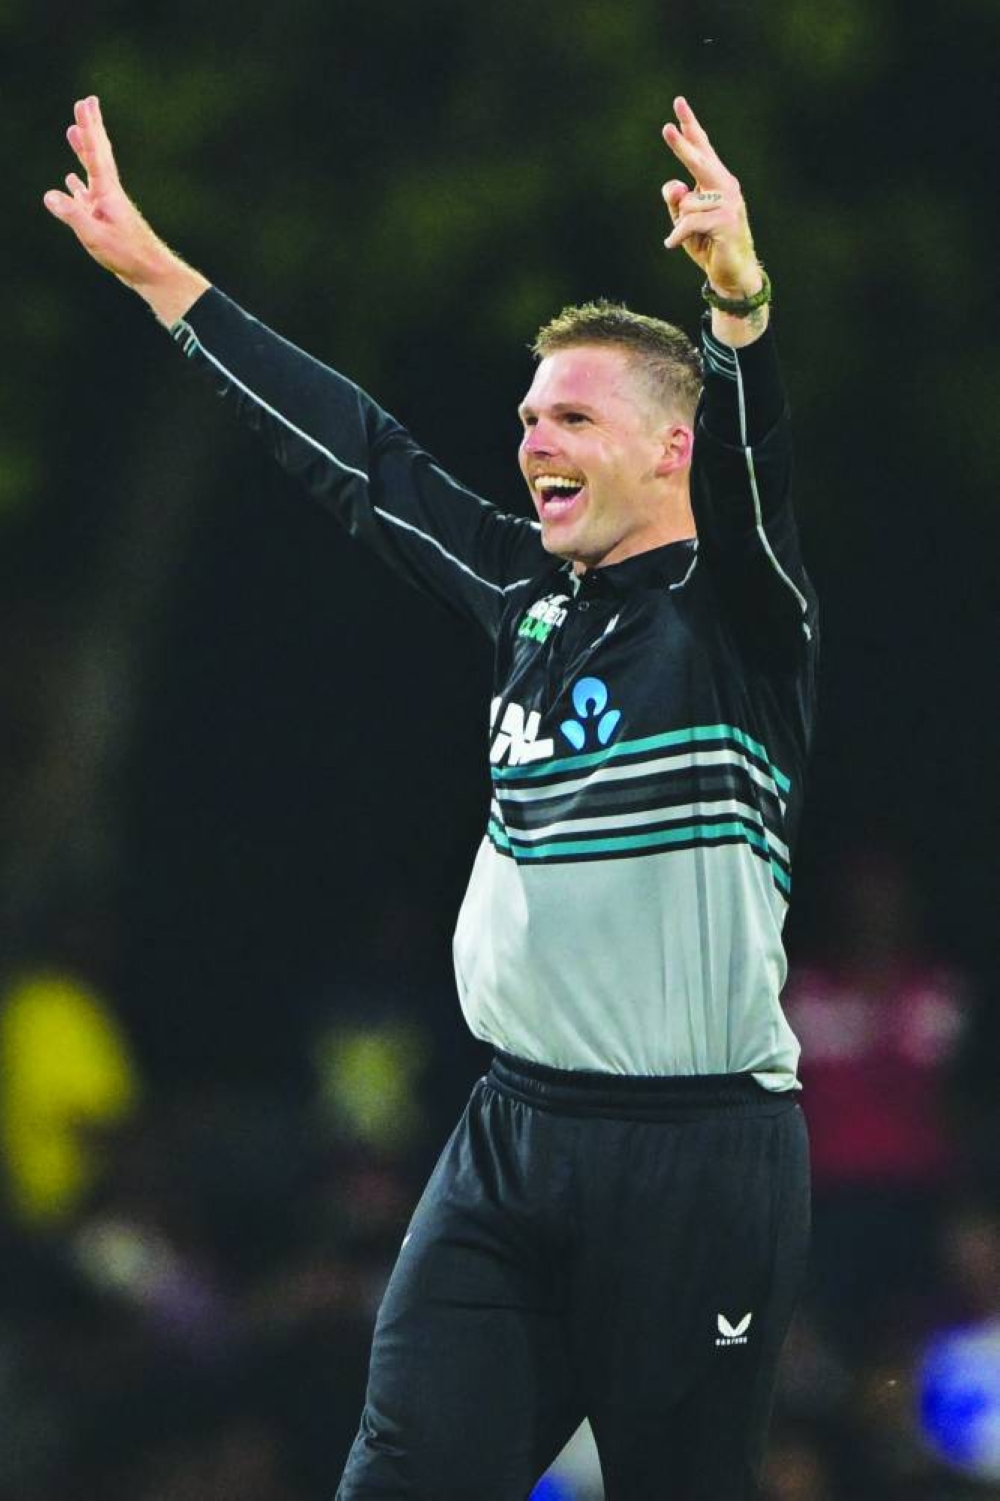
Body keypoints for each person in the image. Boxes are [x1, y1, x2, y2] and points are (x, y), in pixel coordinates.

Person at [45, 93, 818, 1499]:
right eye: (528, 418)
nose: (534, 441)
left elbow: (760, 479)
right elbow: (362, 456)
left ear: (670, 449)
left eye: (573, 416)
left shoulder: (740, 622)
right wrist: (159, 276)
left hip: (698, 1160)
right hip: (509, 1142)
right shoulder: (527, 594)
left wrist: (738, 314)